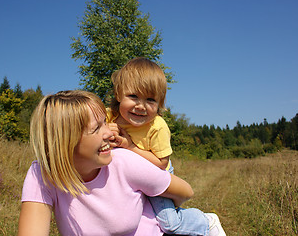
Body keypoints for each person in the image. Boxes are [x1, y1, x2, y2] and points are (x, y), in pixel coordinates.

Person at [18, 90, 199, 236]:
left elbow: (185, 191)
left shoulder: (123, 161)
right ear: (65, 142)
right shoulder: (43, 175)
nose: (109, 133)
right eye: (96, 128)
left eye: (105, 122)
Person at [107, 57, 226, 236]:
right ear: (118, 94)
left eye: (150, 100)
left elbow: (161, 163)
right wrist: (104, 129)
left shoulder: (157, 126)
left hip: (156, 174)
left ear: (160, 103)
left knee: (169, 224)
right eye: (133, 96)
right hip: (127, 177)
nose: (141, 106)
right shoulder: (108, 116)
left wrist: (130, 146)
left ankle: (206, 222)